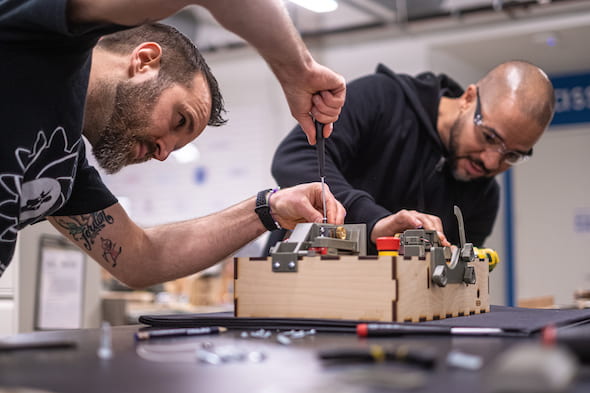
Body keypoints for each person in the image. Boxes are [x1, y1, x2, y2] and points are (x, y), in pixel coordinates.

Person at [0, 0, 347, 288]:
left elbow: (140, 259)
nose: (162, 153)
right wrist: (297, 71)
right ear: (145, 60)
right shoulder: (44, 39)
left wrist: (271, 208)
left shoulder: (63, 166)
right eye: (179, 119)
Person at [271, 61, 555, 254]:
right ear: (468, 99)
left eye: (512, 155)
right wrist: (374, 222)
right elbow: (295, 157)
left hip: (396, 323)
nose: (492, 163)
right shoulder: (382, 99)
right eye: (489, 137)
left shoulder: (484, 195)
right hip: (299, 298)